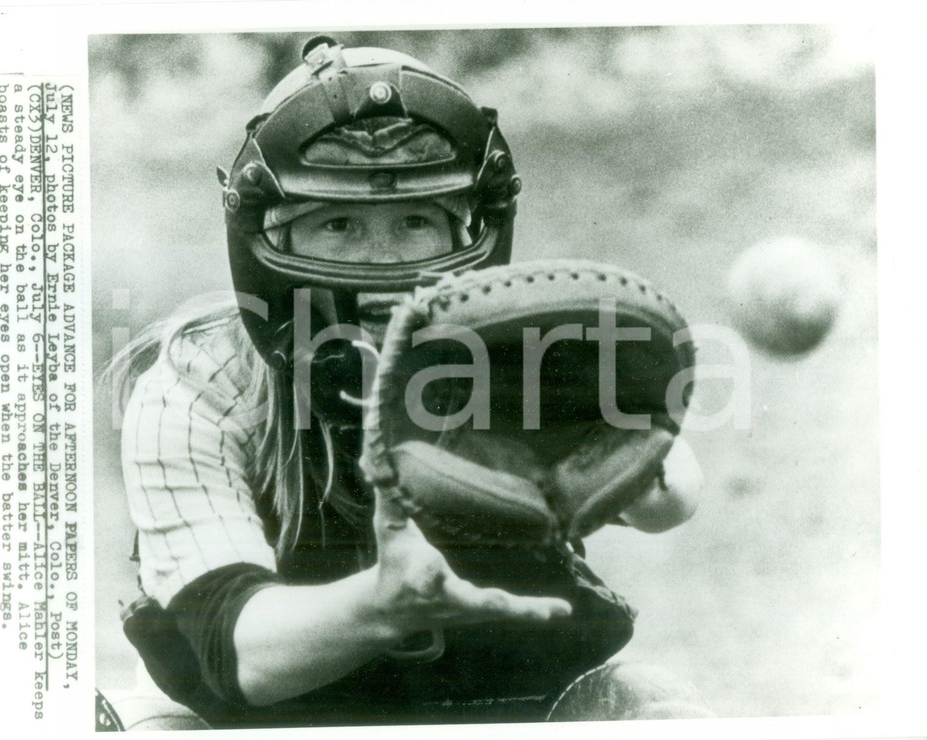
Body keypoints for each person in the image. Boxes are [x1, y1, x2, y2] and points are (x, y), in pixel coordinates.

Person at [111, 36, 709, 729]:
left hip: (484, 697)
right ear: (270, 240)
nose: (384, 264)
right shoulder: (199, 385)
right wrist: (382, 606)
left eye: (417, 221)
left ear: (470, 230)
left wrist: (635, 458)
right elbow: (241, 654)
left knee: (651, 708)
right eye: (338, 223)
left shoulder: (510, 347)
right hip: (242, 715)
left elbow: (670, 503)